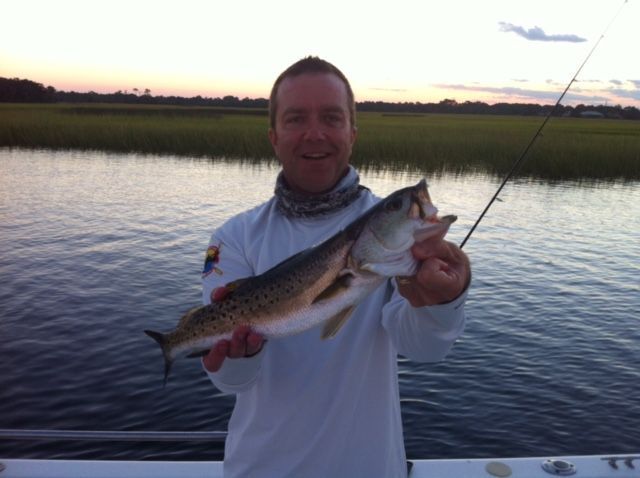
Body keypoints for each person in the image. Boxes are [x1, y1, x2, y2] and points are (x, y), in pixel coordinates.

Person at [201, 56, 471, 478]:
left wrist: (443, 301)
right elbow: (230, 382)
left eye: (331, 117)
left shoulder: (394, 238)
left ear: (352, 133)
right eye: (295, 119)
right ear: (274, 136)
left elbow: (426, 350)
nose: (315, 133)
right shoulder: (231, 238)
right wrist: (239, 356)